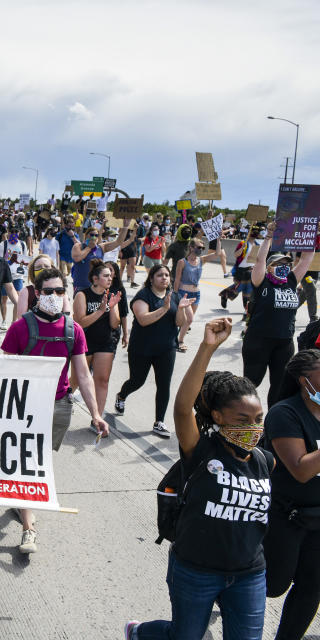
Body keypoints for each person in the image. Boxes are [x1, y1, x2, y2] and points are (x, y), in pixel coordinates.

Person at [126, 318, 273, 640]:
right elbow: (181, 408)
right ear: (218, 417)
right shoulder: (201, 451)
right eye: (242, 419)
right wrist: (207, 347)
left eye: (258, 419)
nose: (254, 427)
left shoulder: (264, 461)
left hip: (249, 575)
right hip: (196, 571)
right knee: (184, 636)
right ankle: (140, 633)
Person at [1, 268, 107, 555]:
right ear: (37, 293)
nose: (55, 297)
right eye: (49, 292)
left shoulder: (74, 331)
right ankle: (29, 528)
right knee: (30, 463)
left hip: (59, 406)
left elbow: (83, 375)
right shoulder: (20, 328)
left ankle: (20, 499)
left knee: (39, 460)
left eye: (60, 291)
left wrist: (96, 414)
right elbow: (5, 370)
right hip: (24, 406)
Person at [262, 350, 320, 640]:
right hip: (286, 515)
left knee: (312, 586)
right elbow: (301, 470)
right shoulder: (284, 413)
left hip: (317, 519)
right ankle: (221, 592)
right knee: (273, 584)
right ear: (304, 381)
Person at [115, 264, 194, 438]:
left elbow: (179, 323)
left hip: (166, 348)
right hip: (142, 348)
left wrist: (180, 309)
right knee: (137, 381)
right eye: (160, 275)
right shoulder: (143, 296)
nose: (164, 278)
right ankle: (121, 395)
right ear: (151, 278)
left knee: (164, 384)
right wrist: (164, 309)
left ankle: (159, 421)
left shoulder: (174, 296)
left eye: (167, 275)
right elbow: (143, 320)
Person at [243, 221, 314, 408]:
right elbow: (259, 260)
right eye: (279, 263)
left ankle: (272, 424)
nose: (284, 266)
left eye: (286, 264)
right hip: (258, 341)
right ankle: (243, 419)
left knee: (279, 387)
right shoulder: (262, 281)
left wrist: (311, 234)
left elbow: (306, 260)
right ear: (269, 267)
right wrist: (268, 236)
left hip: (284, 342)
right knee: (251, 384)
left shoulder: (291, 281)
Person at [73, 260, 123, 425]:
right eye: (106, 276)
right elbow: (80, 322)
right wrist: (101, 310)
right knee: (75, 380)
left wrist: (112, 307)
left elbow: (115, 324)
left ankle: (97, 419)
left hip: (105, 343)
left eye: (111, 276)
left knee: (102, 380)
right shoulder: (82, 294)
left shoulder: (110, 294)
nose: (110, 278)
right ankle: (58, 407)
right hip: (84, 343)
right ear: (95, 279)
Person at [172, 238, 220, 352]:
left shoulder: (201, 260)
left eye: (203, 248)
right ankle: (180, 341)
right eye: (199, 247)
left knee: (185, 321)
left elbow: (217, 254)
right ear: (191, 247)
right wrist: (175, 294)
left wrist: (218, 239)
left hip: (196, 294)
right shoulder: (182, 262)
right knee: (189, 319)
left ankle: (176, 337)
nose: (201, 250)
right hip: (184, 294)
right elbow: (177, 280)